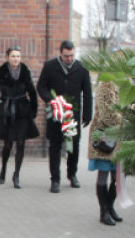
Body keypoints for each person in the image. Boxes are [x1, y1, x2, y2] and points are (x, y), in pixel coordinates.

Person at [37, 40, 93, 193]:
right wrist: (52, 99)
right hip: (56, 114)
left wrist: (87, 114)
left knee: (73, 146)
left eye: (72, 55)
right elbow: (41, 86)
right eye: (66, 56)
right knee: (55, 146)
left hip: (72, 115)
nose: (69, 59)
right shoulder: (50, 66)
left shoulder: (81, 69)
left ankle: (72, 174)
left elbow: (87, 93)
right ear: (60, 53)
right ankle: (55, 179)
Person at [0, 47, 39, 188]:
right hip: (7, 111)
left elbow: (32, 91)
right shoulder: (1, 72)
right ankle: (3, 168)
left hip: (22, 111)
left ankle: (16, 175)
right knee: (8, 144)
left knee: (21, 143)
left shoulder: (25, 71)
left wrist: (33, 109)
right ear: (7, 57)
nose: (16, 59)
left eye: (18, 56)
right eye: (13, 56)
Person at [86, 81, 121, 223]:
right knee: (104, 174)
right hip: (105, 137)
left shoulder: (126, 85)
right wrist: (123, 118)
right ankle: (104, 211)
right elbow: (106, 116)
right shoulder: (105, 87)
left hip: (120, 138)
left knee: (118, 177)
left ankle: (111, 206)